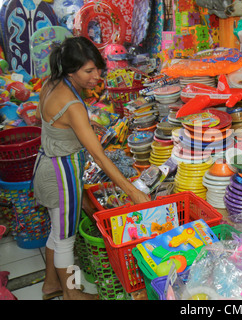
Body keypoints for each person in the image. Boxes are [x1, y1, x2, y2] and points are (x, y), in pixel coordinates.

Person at [32, 36, 151, 300]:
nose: (96, 76)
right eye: (88, 71)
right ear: (71, 70)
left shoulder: (52, 83)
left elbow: (57, 123)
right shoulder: (73, 104)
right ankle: (73, 294)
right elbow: (99, 156)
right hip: (60, 174)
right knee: (65, 238)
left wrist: (86, 127)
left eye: (98, 68)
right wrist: (132, 192)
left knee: (57, 230)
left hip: (48, 164)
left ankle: (51, 283)